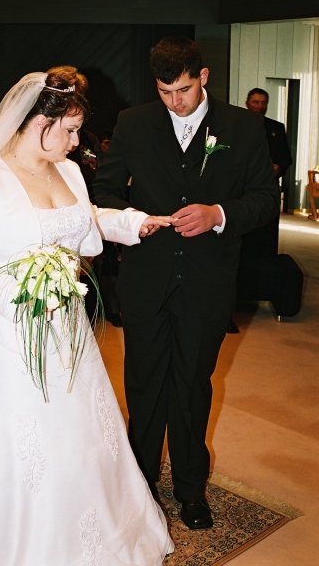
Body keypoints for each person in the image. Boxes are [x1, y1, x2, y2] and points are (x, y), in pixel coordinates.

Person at [0, 66, 174, 564]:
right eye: (70, 130)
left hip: (66, 328)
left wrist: (134, 222)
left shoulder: (69, 171)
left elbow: (83, 223)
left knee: (80, 439)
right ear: (40, 123)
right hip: (7, 332)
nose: (77, 141)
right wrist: (19, 301)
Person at [93, 37, 280, 530]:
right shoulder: (133, 123)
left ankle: (191, 490)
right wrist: (135, 221)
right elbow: (105, 192)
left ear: (203, 78)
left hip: (207, 281)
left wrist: (219, 213)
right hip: (146, 279)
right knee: (143, 384)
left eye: (183, 90)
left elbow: (266, 199)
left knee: (193, 385)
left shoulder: (243, 127)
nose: (174, 102)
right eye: (164, 92)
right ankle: (141, 486)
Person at [242, 87, 292, 255]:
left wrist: (277, 168)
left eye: (263, 103)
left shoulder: (276, 128)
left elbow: (285, 159)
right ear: (247, 103)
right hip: (242, 189)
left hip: (268, 187)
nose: (259, 106)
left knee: (266, 235)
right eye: (255, 102)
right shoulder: (236, 125)